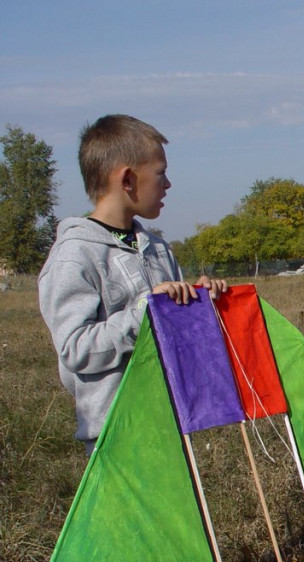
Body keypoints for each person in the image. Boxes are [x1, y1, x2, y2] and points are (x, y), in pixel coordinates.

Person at [38, 114, 226, 457]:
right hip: (117, 433)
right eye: (160, 172)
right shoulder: (74, 255)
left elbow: (177, 336)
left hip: (169, 420)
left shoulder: (158, 248)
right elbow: (75, 349)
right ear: (127, 179)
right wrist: (145, 310)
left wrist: (200, 302)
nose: (167, 184)